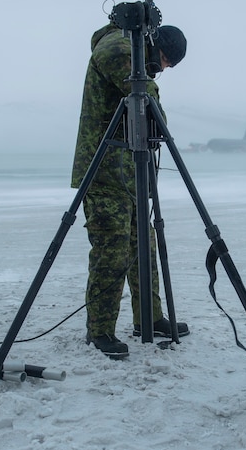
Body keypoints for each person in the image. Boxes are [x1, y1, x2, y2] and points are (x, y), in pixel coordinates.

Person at [71, 22, 190, 359]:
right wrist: (154, 103)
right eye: (164, 59)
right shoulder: (116, 45)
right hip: (104, 170)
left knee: (143, 246)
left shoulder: (133, 52)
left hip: (131, 170)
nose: (162, 69)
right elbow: (139, 90)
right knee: (113, 251)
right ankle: (100, 331)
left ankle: (148, 319)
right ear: (153, 44)